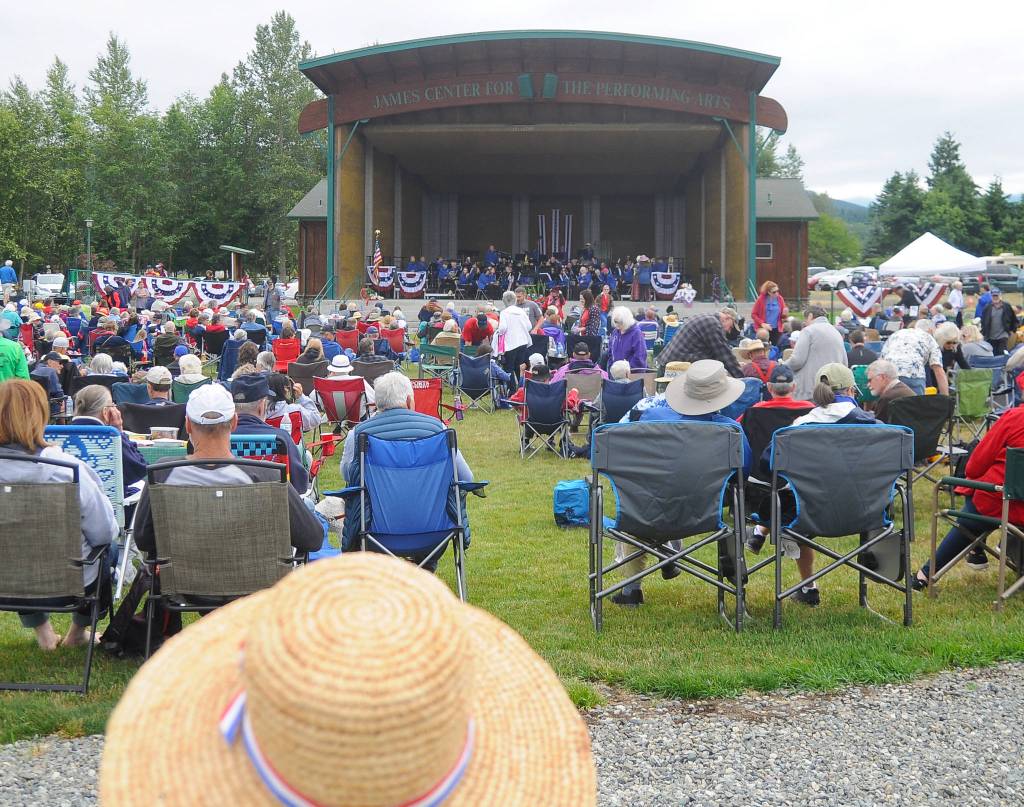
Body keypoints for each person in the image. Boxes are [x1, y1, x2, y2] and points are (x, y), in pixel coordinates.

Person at [132, 383, 323, 564]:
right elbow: (312, 538)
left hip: (181, 592)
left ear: (188, 425)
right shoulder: (268, 476)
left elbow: (143, 540)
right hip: (255, 592)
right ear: (234, 422)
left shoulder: (163, 474)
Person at [612, 360, 752, 607]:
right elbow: (744, 474)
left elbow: (619, 462)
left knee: (637, 498)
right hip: (705, 512)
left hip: (646, 507)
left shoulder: (646, 418)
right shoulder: (730, 431)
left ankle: (631, 589)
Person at [0, 380, 117, 649]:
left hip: (6, 580)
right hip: (70, 584)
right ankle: (77, 632)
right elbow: (104, 532)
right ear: (41, 415)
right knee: (108, 546)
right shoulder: (68, 471)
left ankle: (44, 633)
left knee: (16, 545)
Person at [340, 373, 474, 563]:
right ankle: (424, 568)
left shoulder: (359, 434)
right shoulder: (438, 429)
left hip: (374, 534)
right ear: (410, 400)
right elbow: (467, 477)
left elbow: (347, 473)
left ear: (376, 404)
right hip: (435, 533)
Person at [914, 403, 1024, 587]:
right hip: (1009, 502)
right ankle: (982, 551)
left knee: (976, 493)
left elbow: (974, 467)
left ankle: (924, 575)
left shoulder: (1016, 418)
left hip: (1001, 504)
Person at [228, 373, 310, 494]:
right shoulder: (279, 438)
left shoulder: (220, 440)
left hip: (229, 506)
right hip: (275, 507)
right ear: (262, 406)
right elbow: (299, 485)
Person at [72, 384, 148, 493]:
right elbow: (139, 469)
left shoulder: (57, 436)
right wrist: (119, 432)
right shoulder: (110, 439)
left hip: (71, 503)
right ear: (105, 412)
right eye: (113, 405)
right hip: (108, 504)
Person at [784, 306, 848, 400]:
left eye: (805, 319)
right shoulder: (836, 332)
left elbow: (797, 361)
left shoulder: (808, 331)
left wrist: (782, 366)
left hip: (810, 391)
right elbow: (844, 363)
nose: (805, 323)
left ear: (810, 316)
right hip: (832, 391)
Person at [656, 309, 744, 378]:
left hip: (669, 366)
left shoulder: (706, 317)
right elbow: (724, 354)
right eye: (731, 327)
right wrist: (742, 379)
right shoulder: (713, 324)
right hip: (674, 370)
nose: (729, 331)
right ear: (728, 318)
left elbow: (714, 356)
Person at [880, 319, 948, 395]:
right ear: (930, 330)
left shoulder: (896, 334)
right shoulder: (929, 338)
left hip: (890, 374)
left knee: (890, 405)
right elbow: (939, 371)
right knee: (915, 405)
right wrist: (946, 400)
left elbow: (881, 362)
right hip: (913, 374)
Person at [495, 289, 532, 383]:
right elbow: (529, 326)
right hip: (523, 342)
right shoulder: (521, 311)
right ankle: (520, 388)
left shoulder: (504, 312)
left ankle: (511, 390)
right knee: (518, 367)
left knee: (509, 367)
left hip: (510, 344)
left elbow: (502, 328)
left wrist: (498, 332)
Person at [865, 359, 915, 423]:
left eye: (870, 380)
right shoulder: (904, 390)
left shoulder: (888, 398)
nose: (868, 385)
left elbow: (875, 428)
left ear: (882, 377)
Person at [981, 287, 1017, 356]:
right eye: (993, 296)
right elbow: (983, 321)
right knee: (993, 353)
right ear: (991, 296)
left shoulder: (1006, 306)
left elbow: (1013, 318)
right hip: (990, 336)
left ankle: (1003, 366)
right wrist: (984, 332)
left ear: (1000, 296)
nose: (995, 297)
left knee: (1002, 352)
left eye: (996, 296)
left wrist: (1013, 329)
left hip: (1003, 334)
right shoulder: (987, 307)